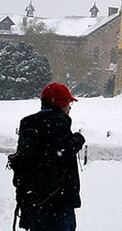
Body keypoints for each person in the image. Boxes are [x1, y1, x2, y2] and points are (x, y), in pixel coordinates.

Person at [13, 82, 86, 231]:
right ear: (62, 103)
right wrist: (78, 139)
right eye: (69, 102)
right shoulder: (57, 122)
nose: (70, 106)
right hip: (57, 201)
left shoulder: (28, 123)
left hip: (32, 199)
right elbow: (62, 151)